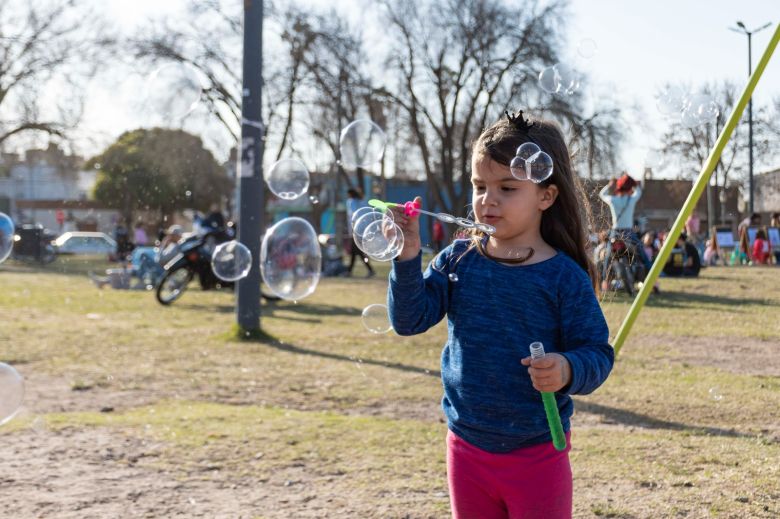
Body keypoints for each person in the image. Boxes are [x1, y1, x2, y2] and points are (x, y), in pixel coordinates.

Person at [387, 112, 614, 518]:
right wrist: (406, 258)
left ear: (546, 196)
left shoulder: (563, 276)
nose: (487, 201)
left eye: (507, 188)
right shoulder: (459, 259)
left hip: (537, 455)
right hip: (466, 448)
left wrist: (566, 367)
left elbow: (597, 353)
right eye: (479, 186)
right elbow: (410, 320)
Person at [598, 172, 653, 291]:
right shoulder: (631, 200)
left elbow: (602, 194)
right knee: (642, 253)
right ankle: (653, 279)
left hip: (615, 232)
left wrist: (609, 185)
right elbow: (638, 192)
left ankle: (604, 282)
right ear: (628, 189)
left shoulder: (612, 199)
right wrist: (634, 185)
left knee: (607, 257)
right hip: (628, 232)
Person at [345, 188, 375, 277]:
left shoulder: (351, 202)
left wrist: (351, 229)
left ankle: (369, 270)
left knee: (357, 251)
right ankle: (349, 271)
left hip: (355, 229)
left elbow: (353, 215)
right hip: (363, 229)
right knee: (355, 251)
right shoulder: (362, 202)